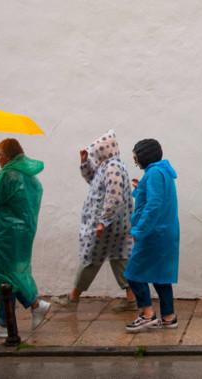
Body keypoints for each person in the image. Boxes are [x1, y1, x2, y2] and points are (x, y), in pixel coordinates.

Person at [0, 138, 51, 339]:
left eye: (0, 154)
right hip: (19, 233)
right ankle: (33, 305)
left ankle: (5, 322)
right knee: (10, 276)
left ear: (9, 156)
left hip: (5, 234)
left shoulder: (10, 174)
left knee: (5, 277)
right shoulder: (26, 172)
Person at [52, 129, 137, 312]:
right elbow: (95, 181)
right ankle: (132, 299)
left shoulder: (112, 167)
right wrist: (85, 164)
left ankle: (73, 297)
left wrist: (103, 222)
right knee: (120, 257)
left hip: (108, 226)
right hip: (118, 225)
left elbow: (113, 198)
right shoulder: (110, 166)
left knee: (91, 257)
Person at [122, 138, 180, 332]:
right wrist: (141, 189)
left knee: (133, 273)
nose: (135, 161)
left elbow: (154, 205)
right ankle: (169, 317)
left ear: (144, 156)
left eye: (136, 157)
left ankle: (147, 314)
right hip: (165, 233)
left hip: (154, 234)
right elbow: (156, 198)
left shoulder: (154, 173)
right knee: (160, 276)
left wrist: (139, 230)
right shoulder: (161, 171)